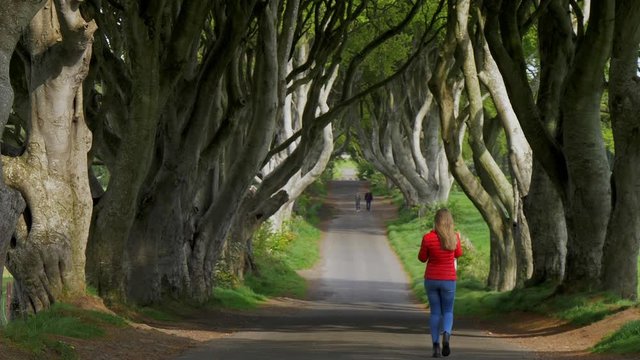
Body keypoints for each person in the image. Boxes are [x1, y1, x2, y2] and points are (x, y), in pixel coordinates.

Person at [418, 208, 463, 358]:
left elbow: (422, 258)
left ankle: (436, 346)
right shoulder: (454, 237)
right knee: (448, 311)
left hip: (431, 279)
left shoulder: (428, 237)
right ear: (450, 222)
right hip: (449, 280)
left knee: (435, 312)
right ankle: (447, 336)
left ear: (436, 221)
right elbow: (458, 254)